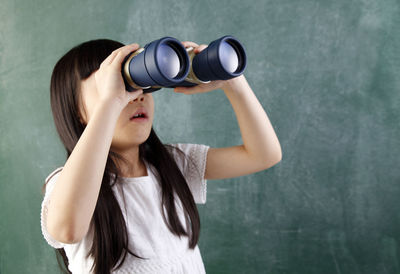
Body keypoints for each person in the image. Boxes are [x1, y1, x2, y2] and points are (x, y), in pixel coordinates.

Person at [40, 38, 282, 274]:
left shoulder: (172, 164)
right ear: (77, 112)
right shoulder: (67, 184)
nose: (137, 95)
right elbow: (67, 230)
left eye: (140, 84)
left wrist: (233, 83)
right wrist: (111, 102)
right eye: (119, 85)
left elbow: (263, 155)